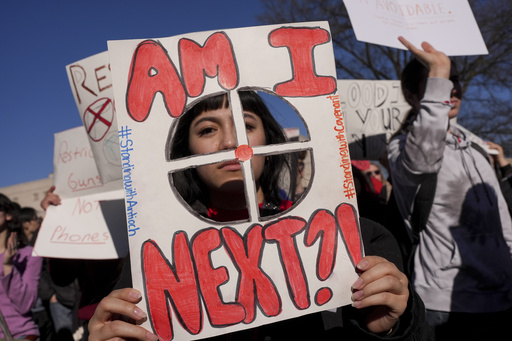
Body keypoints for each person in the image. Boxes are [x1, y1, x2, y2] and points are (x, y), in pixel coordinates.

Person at [88, 90, 433, 340]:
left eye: (246, 124)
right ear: (182, 153)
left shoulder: (356, 238)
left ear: (268, 140)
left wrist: (396, 325)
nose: (229, 142)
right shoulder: (151, 262)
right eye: (208, 129)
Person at [387, 37, 512, 340]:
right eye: (441, 81)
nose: (452, 88)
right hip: (445, 309)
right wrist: (438, 73)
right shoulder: (400, 148)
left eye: (454, 79)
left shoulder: (479, 148)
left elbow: (503, 224)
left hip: (503, 300)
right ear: (412, 95)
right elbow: (423, 162)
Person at [0, 194, 43, 340]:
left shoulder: (29, 254)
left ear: (8, 215)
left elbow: (25, 304)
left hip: (20, 335)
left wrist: (8, 266)